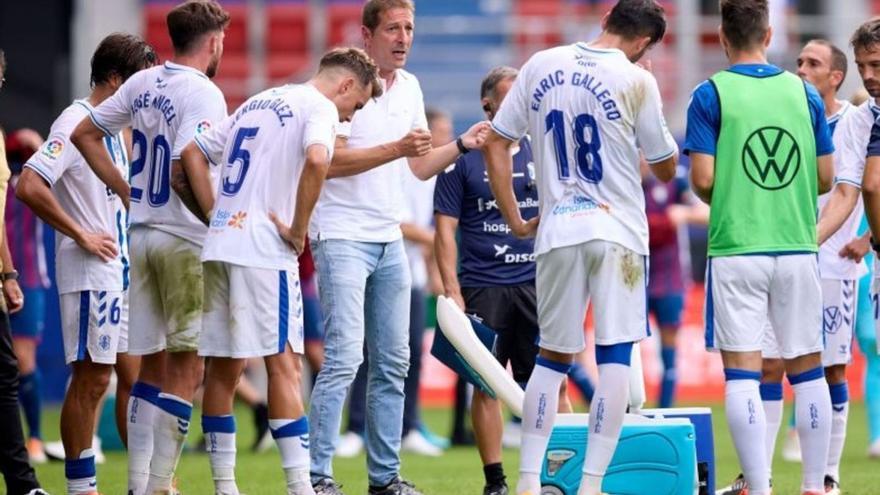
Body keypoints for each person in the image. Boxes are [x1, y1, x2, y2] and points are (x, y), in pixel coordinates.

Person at [483, 1, 678, 494]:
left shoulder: (541, 62)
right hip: (617, 233)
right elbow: (665, 167)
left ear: (606, 22)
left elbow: (496, 141)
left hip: (558, 230)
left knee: (551, 358)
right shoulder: (637, 80)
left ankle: (528, 479)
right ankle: (591, 483)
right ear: (643, 43)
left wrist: (514, 217)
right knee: (614, 356)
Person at [176, 46, 380, 495]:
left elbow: (188, 156)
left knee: (224, 369)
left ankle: (225, 487)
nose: (348, 118)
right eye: (356, 106)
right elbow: (318, 160)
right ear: (345, 85)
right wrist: (298, 229)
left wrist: (215, 217)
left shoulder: (258, 100)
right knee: (284, 367)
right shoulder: (320, 107)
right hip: (265, 251)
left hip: (222, 246)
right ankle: (299, 487)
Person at [306, 1, 488, 493]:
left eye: (409, 28)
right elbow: (330, 161)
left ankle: (384, 478)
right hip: (341, 234)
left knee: (395, 361)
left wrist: (463, 145)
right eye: (393, 28)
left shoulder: (410, 87)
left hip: (387, 238)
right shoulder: (341, 85)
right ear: (367, 34)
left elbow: (418, 165)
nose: (403, 37)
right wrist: (396, 149)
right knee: (344, 358)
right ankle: (315, 477)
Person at [70, 2, 230, 493]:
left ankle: (138, 484)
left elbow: (85, 134)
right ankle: (159, 484)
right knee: (187, 366)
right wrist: (216, 223)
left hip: (139, 237)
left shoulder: (141, 83)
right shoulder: (204, 92)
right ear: (214, 41)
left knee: (149, 368)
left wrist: (127, 188)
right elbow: (188, 164)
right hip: (184, 239)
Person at [686, 1, 835, 494]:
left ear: (723, 37)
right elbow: (825, 177)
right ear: (769, 34)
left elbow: (703, 179)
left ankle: (761, 486)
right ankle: (816, 485)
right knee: (807, 367)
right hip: (796, 245)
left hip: (737, 246)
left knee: (743, 374)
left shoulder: (710, 94)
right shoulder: (805, 94)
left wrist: (734, 191)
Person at [16, 33, 156, 495]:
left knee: (135, 380)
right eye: (137, 82)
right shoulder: (73, 122)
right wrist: (79, 233)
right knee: (93, 379)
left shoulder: (111, 129)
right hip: (90, 269)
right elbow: (30, 186)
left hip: (122, 269)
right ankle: (82, 487)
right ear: (114, 79)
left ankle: (142, 483)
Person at [435, 66, 576, 495]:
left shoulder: (546, 151)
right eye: (510, 96)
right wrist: (453, 292)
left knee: (554, 381)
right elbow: (444, 231)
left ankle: (562, 475)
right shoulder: (461, 161)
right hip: (483, 286)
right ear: (488, 105)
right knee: (487, 386)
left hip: (539, 284)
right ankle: (495, 482)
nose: (521, 104)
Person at [0, 47, 50, 495]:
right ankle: (30, 443)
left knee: (15, 366)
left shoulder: (21, 187)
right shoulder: (26, 188)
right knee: (17, 365)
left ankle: (31, 443)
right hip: (22, 278)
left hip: (22, 278)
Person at [4, 129, 51, 463]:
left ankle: (34, 437)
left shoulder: (29, 185)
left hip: (27, 278)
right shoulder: (9, 186)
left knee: (23, 361)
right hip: (15, 277)